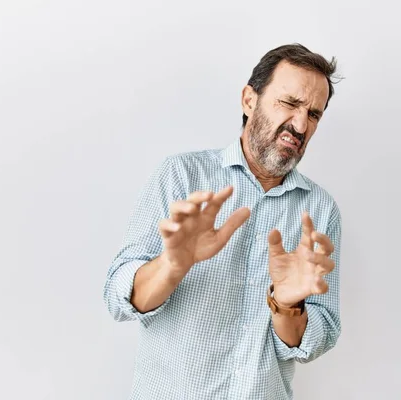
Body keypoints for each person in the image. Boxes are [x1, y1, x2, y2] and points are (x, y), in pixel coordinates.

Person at [103, 43, 343, 400]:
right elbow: (117, 297)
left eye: (314, 114)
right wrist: (172, 264)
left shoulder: (320, 211)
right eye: (290, 103)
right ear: (249, 99)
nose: (300, 124)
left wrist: (288, 307)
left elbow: (315, 339)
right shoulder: (181, 177)